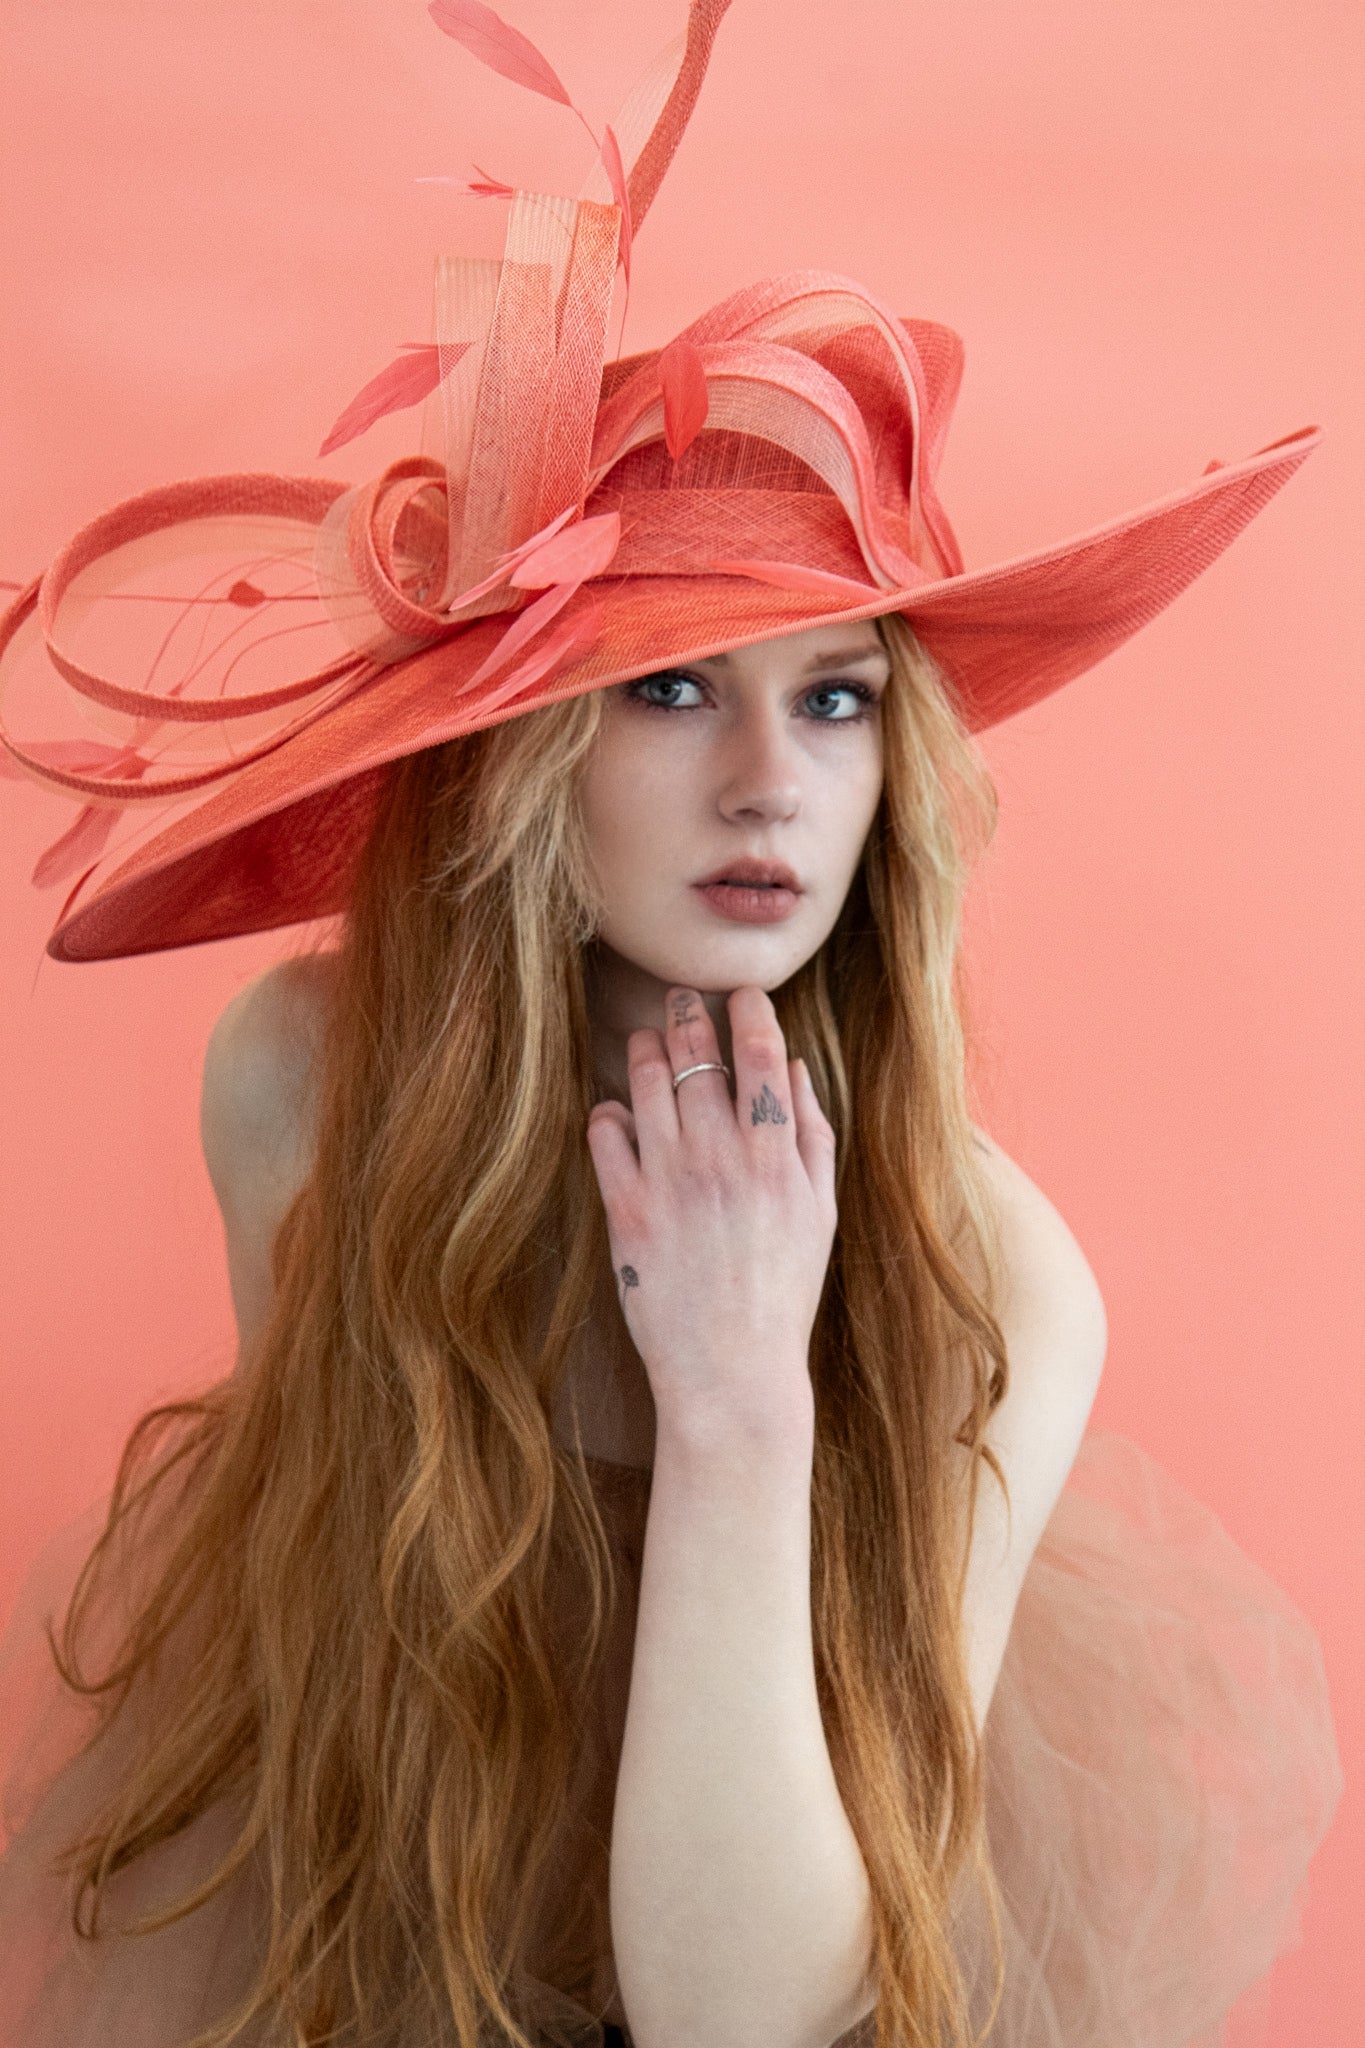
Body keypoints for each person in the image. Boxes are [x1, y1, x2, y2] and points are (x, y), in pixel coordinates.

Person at [0, 4, 1342, 2045]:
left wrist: (732, 1403)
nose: (766, 789)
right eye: (664, 690)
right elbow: (332, 1747)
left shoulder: (994, 1273)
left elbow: (742, 2018)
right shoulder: (298, 1085)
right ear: (524, 754)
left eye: (832, 697)